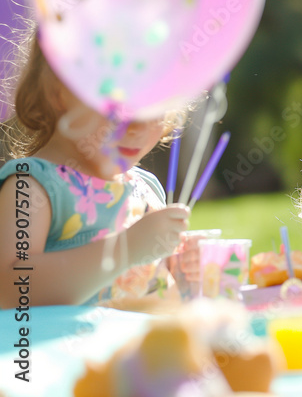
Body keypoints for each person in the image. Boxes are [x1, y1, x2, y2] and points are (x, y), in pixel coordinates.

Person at [0, 35, 189, 307]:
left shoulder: (146, 188)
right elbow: (10, 289)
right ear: (61, 92)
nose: (138, 126)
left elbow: (155, 281)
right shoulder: (32, 187)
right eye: (119, 106)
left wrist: (183, 265)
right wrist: (125, 249)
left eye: (153, 105)